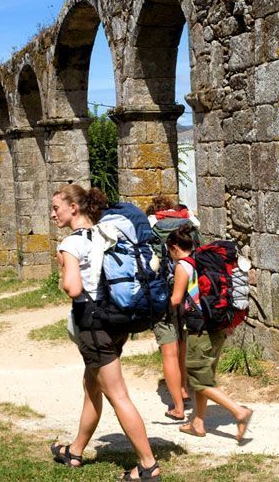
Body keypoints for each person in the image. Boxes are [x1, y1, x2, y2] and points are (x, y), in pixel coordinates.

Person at [49, 184, 161, 481]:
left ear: (74, 208)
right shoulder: (105, 233)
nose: (53, 214)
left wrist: (64, 270)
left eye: (56, 207)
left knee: (117, 395)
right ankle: (75, 451)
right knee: (92, 386)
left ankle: (148, 465)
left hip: (93, 326)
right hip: (115, 321)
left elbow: (73, 288)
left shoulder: (71, 243)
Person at [166, 224, 253, 442]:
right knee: (205, 376)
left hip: (200, 330)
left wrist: (154, 309)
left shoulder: (183, 266)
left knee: (198, 380)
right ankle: (198, 422)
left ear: (174, 247)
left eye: (169, 249)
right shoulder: (205, 261)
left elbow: (176, 300)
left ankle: (239, 412)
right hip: (218, 326)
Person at [144, 195, 193, 421]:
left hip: (163, 296)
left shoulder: (151, 229)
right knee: (182, 342)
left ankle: (177, 407)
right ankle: (184, 388)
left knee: (169, 350)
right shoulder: (186, 224)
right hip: (184, 294)